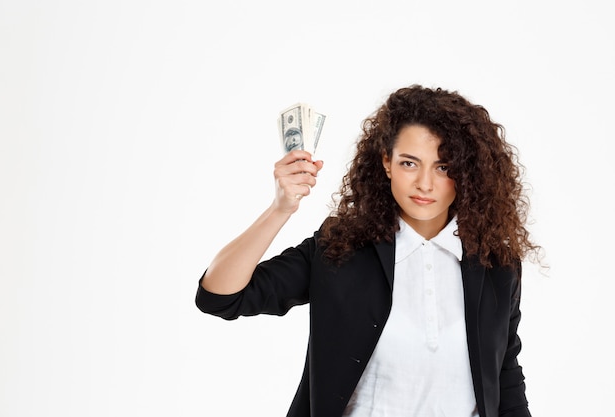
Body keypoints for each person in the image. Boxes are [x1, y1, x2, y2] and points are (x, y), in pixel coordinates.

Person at [196, 85, 541, 417]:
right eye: (409, 163)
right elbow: (220, 296)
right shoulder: (340, 249)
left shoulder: (496, 264)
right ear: (387, 163)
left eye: (443, 166)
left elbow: (506, 380)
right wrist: (281, 208)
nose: (425, 183)